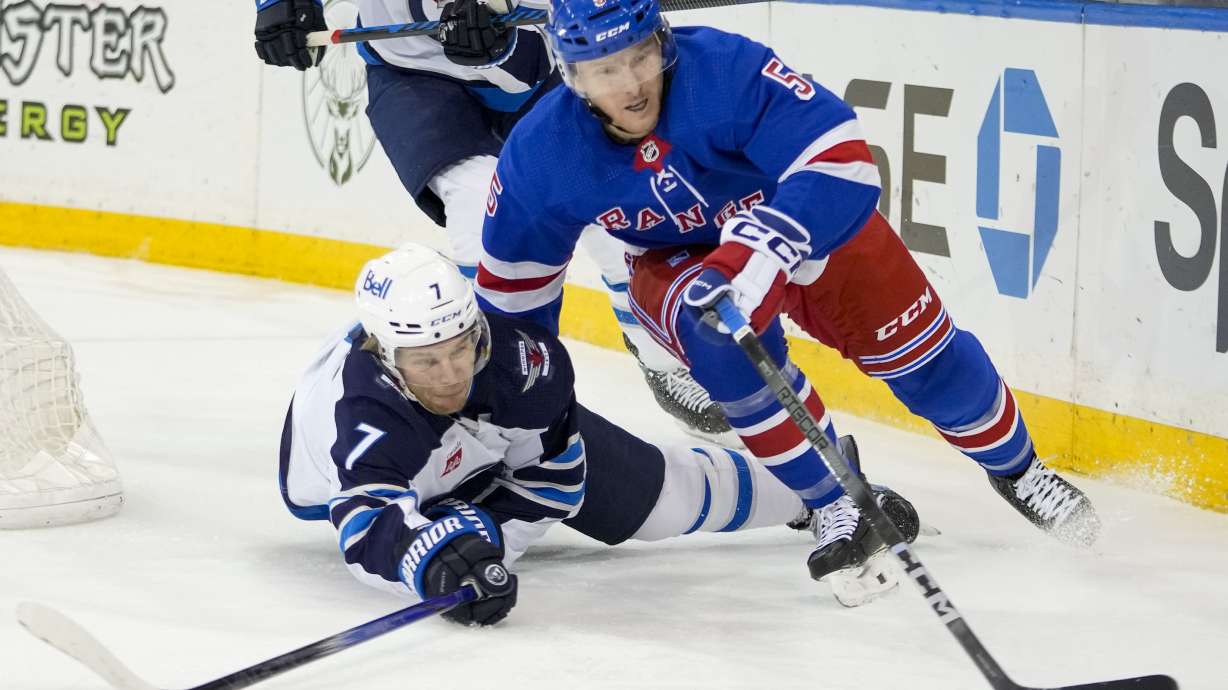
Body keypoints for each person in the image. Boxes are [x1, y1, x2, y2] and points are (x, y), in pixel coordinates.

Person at [473, 0, 1102, 590]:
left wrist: (774, 238)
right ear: (572, 74)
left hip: (795, 222)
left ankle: (1021, 471)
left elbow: (844, 159)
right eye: (607, 69)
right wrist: (512, 411)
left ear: (661, 40)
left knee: (925, 358)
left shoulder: (723, 69)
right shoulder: (543, 155)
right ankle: (836, 503)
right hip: (680, 264)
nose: (632, 83)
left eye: (639, 56)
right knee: (719, 338)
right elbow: (513, 303)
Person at [278, 244, 922, 623]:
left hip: (483, 451)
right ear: (386, 357)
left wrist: (492, 539)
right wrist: (437, 564)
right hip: (386, 474)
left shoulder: (517, 363)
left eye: (461, 348)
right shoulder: (359, 414)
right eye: (426, 362)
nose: (450, 375)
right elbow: (367, 530)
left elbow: (554, 481)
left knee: (658, 496)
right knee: (429, 513)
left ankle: (824, 488)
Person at [252, 0, 735, 442]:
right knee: (479, 207)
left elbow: (535, 61)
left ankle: (661, 358)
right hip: (409, 72)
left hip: (535, 67)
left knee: (610, 217)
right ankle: (492, 395)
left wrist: (503, 43)